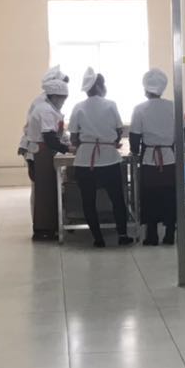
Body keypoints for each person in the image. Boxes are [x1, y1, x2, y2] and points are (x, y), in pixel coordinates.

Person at [70, 68, 133, 248]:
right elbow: (119, 131)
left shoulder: (78, 107)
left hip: (85, 161)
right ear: (99, 86)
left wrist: (85, 142)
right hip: (109, 160)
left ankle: (98, 238)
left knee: (88, 201)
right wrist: (110, 141)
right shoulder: (111, 104)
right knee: (117, 199)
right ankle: (122, 235)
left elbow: (73, 137)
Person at [131, 68, 178, 247]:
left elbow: (135, 137)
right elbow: (179, 133)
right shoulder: (173, 106)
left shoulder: (140, 109)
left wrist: (135, 152)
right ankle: (169, 234)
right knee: (169, 195)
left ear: (145, 89)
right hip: (169, 158)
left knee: (150, 197)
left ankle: (151, 236)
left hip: (150, 158)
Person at [22, 67, 70, 241]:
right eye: (63, 98)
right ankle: (43, 229)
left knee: (47, 190)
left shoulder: (48, 105)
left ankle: (49, 225)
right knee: (43, 192)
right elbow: (49, 137)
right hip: (41, 152)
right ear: (54, 94)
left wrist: (65, 142)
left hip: (44, 151)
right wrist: (68, 148)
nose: (63, 102)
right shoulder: (44, 108)